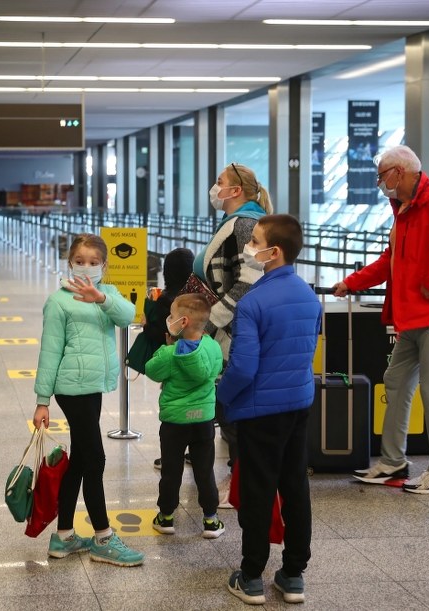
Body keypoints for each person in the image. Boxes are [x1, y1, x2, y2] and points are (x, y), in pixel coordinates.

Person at [335, 145, 429, 494]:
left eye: (381, 175)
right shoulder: (404, 209)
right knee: (396, 381)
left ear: (399, 172)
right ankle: (393, 463)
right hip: (413, 318)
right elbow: (391, 259)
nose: (379, 183)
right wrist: (351, 283)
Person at [217, 214, 321, 605]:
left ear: (272, 252)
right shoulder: (309, 296)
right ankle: (293, 574)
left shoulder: (254, 302)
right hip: (298, 403)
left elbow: (243, 367)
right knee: (295, 485)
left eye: (255, 240)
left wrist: (222, 396)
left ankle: (251, 575)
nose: (248, 246)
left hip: (260, 411)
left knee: (258, 491)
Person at [33, 233, 144, 567]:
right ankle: (103, 537)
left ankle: (64, 536)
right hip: (72, 388)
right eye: (79, 261)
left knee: (81, 460)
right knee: (95, 460)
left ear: (104, 266)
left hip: (93, 386)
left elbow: (128, 316)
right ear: (70, 263)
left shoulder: (106, 294)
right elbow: (49, 352)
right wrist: (42, 400)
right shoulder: (59, 301)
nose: (86, 268)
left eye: (94, 263)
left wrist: (101, 298)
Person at [196, 162, 273, 480]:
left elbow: (249, 280)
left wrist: (212, 321)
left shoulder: (244, 224)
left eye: (219, 182)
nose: (215, 188)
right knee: (228, 408)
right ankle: (242, 478)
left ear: (235, 190)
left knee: (232, 408)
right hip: (227, 330)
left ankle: (246, 481)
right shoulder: (234, 222)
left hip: (231, 332)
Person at [145, 293, 225, 538]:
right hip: (203, 420)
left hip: (174, 423)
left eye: (172, 315)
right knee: (204, 469)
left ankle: (166, 517)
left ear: (183, 322)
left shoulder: (170, 354)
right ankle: (211, 520)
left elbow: (151, 370)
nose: (169, 318)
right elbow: (217, 369)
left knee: (171, 470)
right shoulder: (213, 347)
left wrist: (168, 348)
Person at [137, 247, 197, 469]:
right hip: (197, 360)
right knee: (197, 404)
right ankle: (195, 450)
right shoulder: (197, 298)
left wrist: (146, 326)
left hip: (174, 363)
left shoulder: (167, 301)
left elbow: (163, 333)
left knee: (174, 410)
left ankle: (171, 457)